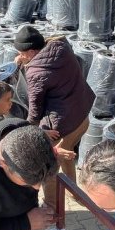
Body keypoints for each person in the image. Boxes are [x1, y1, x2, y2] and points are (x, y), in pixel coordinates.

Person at [13, 25, 95, 208]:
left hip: (63, 127)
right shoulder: (61, 47)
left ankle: (51, 208)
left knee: (49, 165)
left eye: (22, 53)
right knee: (66, 154)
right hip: (82, 116)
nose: (20, 56)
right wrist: (24, 61)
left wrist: (28, 130)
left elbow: (35, 111)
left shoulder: (36, 72)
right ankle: (75, 192)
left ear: (32, 51)